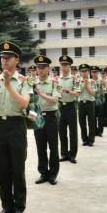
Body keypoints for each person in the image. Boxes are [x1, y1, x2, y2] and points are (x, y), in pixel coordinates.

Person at [0, 42, 32, 213]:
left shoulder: (24, 80)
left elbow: (24, 103)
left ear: (17, 60)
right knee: (2, 168)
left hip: (16, 126)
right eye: (2, 57)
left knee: (17, 169)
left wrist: (8, 85)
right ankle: (6, 205)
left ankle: (19, 207)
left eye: (8, 57)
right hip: (0, 126)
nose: (4, 60)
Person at [31, 54, 61, 184]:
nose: (41, 70)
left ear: (48, 69)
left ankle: (53, 174)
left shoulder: (55, 83)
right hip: (37, 117)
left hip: (51, 117)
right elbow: (30, 103)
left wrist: (41, 93)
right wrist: (32, 118)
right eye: (39, 67)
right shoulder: (32, 84)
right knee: (40, 147)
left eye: (44, 67)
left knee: (53, 147)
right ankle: (43, 173)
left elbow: (55, 100)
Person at [57, 55, 79, 163]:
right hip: (60, 106)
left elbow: (77, 94)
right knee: (62, 132)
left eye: (66, 65)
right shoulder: (57, 80)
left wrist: (67, 91)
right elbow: (56, 92)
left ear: (70, 66)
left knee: (73, 132)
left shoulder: (75, 79)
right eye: (62, 65)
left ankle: (73, 155)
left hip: (71, 106)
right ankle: (64, 153)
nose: (64, 67)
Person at [78, 64, 97, 146]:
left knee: (91, 122)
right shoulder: (77, 81)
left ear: (88, 72)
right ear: (80, 73)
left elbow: (93, 93)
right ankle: (84, 139)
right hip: (81, 103)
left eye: (85, 71)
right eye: (82, 71)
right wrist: (84, 84)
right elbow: (77, 93)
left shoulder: (93, 81)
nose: (84, 73)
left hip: (90, 103)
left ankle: (91, 139)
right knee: (82, 122)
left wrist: (87, 86)